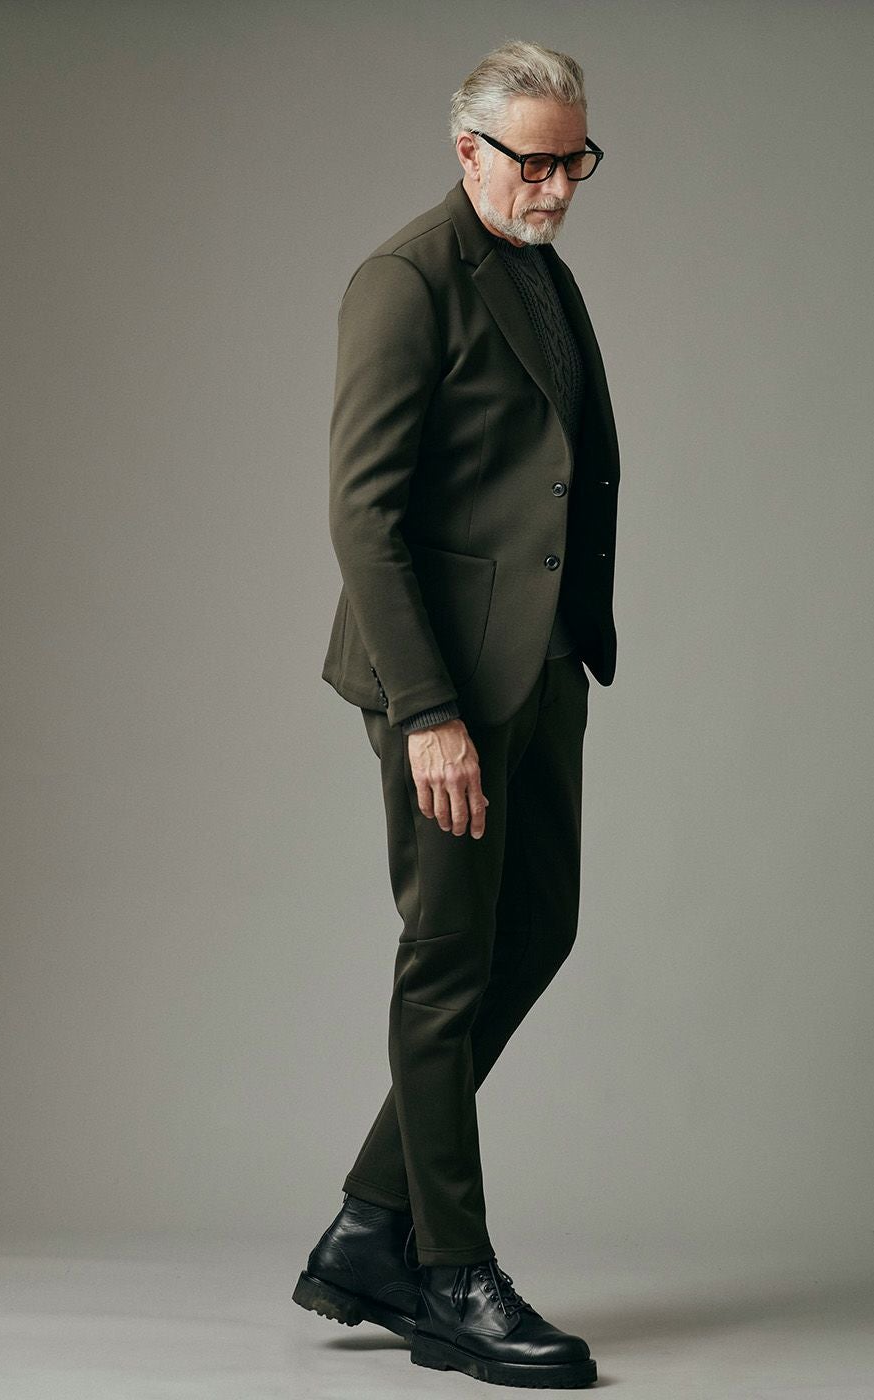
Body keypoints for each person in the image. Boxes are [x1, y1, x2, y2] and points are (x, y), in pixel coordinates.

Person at [293, 39, 619, 1389]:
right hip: (446, 687)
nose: (557, 187)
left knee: (534, 931)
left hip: (540, 670)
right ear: (468, 151)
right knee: (445, 963)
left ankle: (370, 1228)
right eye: (534, 162)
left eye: (574, 160)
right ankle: (448, 1275)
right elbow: (362, 517)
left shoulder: (535, 268)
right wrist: (428, 712)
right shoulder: (405, 279)